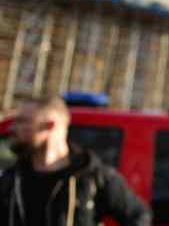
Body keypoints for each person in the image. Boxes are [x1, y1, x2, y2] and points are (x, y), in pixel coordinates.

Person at [0, 95, 151, 226]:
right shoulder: (12, 178)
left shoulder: (93, 177)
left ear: (49, 126)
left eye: (23, 121)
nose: (14, 128)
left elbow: (139, 217)